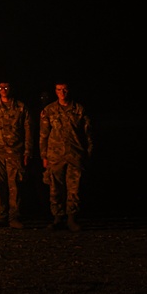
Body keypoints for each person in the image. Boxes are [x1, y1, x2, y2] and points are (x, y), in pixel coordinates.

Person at [39, 82, 93, 232]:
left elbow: (88, 135)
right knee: (55, 188)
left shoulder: (79, 110)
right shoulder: (49, 110)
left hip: (75, 155)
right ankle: (58, 218)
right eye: (58, 90)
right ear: (55, 92)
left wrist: (87, 154)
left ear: (69, 91)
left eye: (64, 89)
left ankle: (72, 218)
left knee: (74, 188)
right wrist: (44, 156)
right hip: (55, 156)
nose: (62, 92)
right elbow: (43, 135)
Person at [0, 82, 32, 229]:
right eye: (0, 88)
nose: (3, 90)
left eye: (6, 88)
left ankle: (14, 217)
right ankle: (1, 216)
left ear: (11, 89)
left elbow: (28, 131)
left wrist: (27, 152)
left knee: (14, 186)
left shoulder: (21, 107)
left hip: (15, 153)